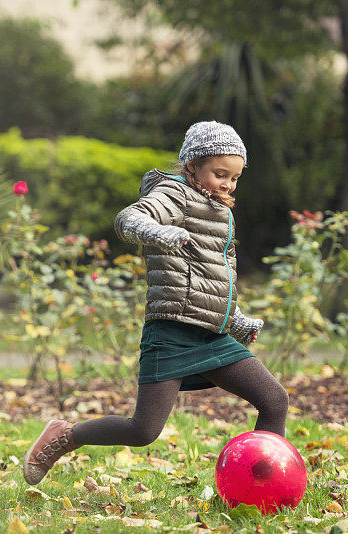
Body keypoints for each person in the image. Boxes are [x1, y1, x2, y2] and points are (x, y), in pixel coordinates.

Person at [23, 121, 289, 486]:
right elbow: (129, 218)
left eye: (235, 178)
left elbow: (213, 279)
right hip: (172, 331)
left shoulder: (219, 211)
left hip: (211, 334)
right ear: (193, 165)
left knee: (274, 400)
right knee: (143, 431)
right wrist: (158, 232)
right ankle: (64, 436)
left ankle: (268, 484)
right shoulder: (174, 194)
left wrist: (236, 319)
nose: (227, 184)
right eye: (220, 173)